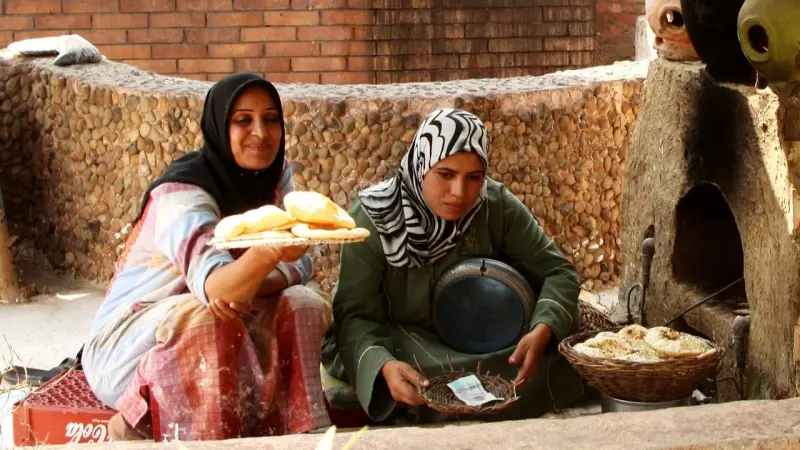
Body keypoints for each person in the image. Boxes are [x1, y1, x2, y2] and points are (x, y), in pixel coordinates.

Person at [81, 73, 331, 441]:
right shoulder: (181, 193)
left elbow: (302, 263)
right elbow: (220, 290)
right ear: (219, 127)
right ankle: (146, 421)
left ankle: (303, 436)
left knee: (304, 302)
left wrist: (251, 281)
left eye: (271, 119)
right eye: (243, 120)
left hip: (231, 329)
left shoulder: (274, 178)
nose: (260, 133)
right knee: (207, 315)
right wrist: (267, 255)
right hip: (126, 349)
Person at [321, 108, 584, 424]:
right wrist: (384, 364)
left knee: (530, 361)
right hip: (404, 341)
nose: (460, 193)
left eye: (474, 177)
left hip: (488, 343)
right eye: (445, 174)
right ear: (421, 167)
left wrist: (543, 330)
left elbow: (559, 272)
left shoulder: (494, 205)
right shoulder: (374, 217)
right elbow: (355, 314)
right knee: (426, 376)